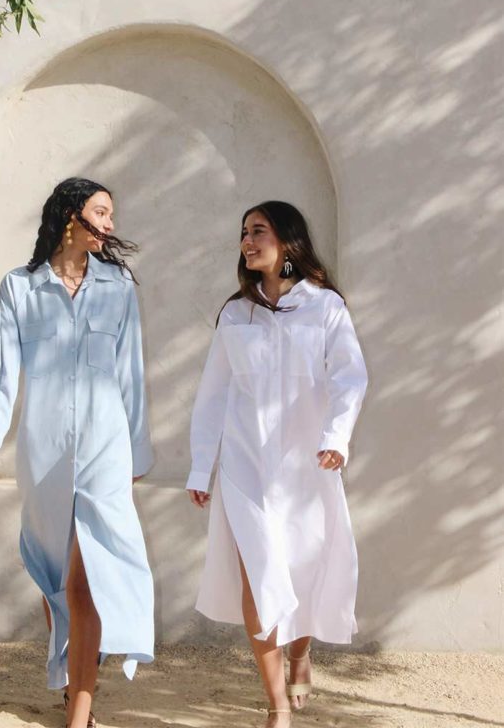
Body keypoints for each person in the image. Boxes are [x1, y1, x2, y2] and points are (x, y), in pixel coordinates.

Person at [0, 177, 154, 728]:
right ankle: (73, 685)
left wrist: (137, 452)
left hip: (106, 446)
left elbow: (131, 374)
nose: (111, 224)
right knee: (56, 581)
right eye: (102, 212)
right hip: (44, 448)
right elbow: (6, 368)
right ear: (71, 216)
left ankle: (79, 713)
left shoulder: (118, 286)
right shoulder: (20, 287)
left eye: (112, 214)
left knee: (86, 580)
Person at [187, 201, 367, 727]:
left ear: (287, 240)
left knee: (302, 570)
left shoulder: (325, 306)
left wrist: (336, 437)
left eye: (258, 231)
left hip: (306, 466)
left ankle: (300, 653)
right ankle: (277, 706)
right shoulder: (235, 314)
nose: (247, 240)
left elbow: (350, 377)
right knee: (259, 578)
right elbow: (212, 396)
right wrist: (202, 467)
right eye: (244, 232)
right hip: (245, 468)